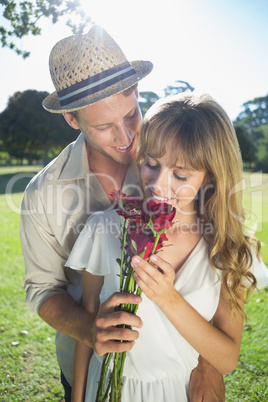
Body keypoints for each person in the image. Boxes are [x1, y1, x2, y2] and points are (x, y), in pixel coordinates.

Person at [21, 24, 225, 401]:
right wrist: (89, 329)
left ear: (135, 91)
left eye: (131, 114)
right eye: (104, 126)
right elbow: (42, 290)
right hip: (93, 370)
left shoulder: (170, 154)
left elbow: (215, 266)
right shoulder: (42, 194)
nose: (127, 136)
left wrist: (208, 367)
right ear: (72, 119)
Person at [66, 92, 268, 401]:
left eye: (180, 174)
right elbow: (88, 325)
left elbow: (227, 359)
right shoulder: (104, 228)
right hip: (104, 388)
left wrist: (168, 298)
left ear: (210, 177)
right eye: (151, 163)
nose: (159, 183)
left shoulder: (227, 248)